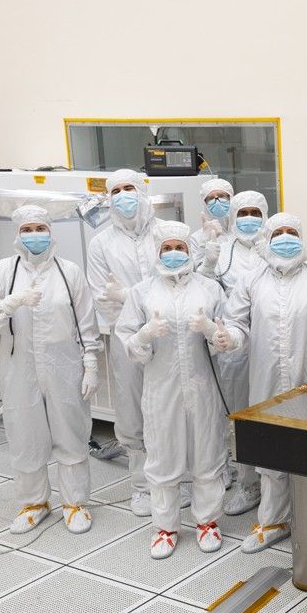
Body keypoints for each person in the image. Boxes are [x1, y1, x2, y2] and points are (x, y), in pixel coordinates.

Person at [222, 213, 307, 552]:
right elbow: (237, 323)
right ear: (268, 240)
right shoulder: (252, 280)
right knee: (271, 447)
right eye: (278, 233)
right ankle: (273, 521)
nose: (285, 238)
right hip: (265, 378)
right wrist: (228, 338)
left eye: (291, 232)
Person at [0, 205, 102, 536]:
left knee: (70, 431)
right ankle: (34, 503)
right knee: (25, 433)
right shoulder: (3, 272)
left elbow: (87, 322)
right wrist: (9, 303)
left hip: (65, 365)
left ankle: (75, 503)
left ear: (50, 231)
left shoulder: (69, 271)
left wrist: (90, 365)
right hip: (19, 366)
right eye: (27, 229)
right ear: (18, 235)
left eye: (40, 228)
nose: (34, 234)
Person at [116, 221, 233, 559]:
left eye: (179, 248)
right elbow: (127, 336)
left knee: (207, 455)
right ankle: (165, 527)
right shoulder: (141, 292)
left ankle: (207, 522)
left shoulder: (210, 289)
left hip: (202, 388)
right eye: (166, 248)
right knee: (162, 456)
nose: (172, 254)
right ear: (157, 252)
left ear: (189, 250)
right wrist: (144, 336)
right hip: (161, 389)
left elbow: (226, 339)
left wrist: (212, 330)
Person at [87, 169, 165, 517]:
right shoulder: (101, 243)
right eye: (115, 190)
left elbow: (184, 280)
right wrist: (140, 314)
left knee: (176, 406)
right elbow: (103, 296)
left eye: (129, 187)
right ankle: (143, 487)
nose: (123, 195)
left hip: (173, 334)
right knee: (133, 410)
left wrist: (131, 294)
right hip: (127, 336)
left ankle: (179, 480)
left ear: (142, 190)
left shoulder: (167, 233)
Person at [196, 190, 268, 517]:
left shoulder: (277, 245)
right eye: (243, 213)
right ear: (234, 218)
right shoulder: (222, 251)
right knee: (239, 416)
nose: (250, 218)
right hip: (234, 346)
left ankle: (281, 483)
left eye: (256, 212)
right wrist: (208, 263)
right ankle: (248, 482)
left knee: (277, 414)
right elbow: (200, 288)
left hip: (273, 345)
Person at [190, 178, 236, 271]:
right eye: (210, 198)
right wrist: (204, 243)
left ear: (231, 198)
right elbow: (193, 271)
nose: (217, 201)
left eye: (221, 196)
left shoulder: (243, 232)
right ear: (205, 204)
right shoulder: (197, 238)